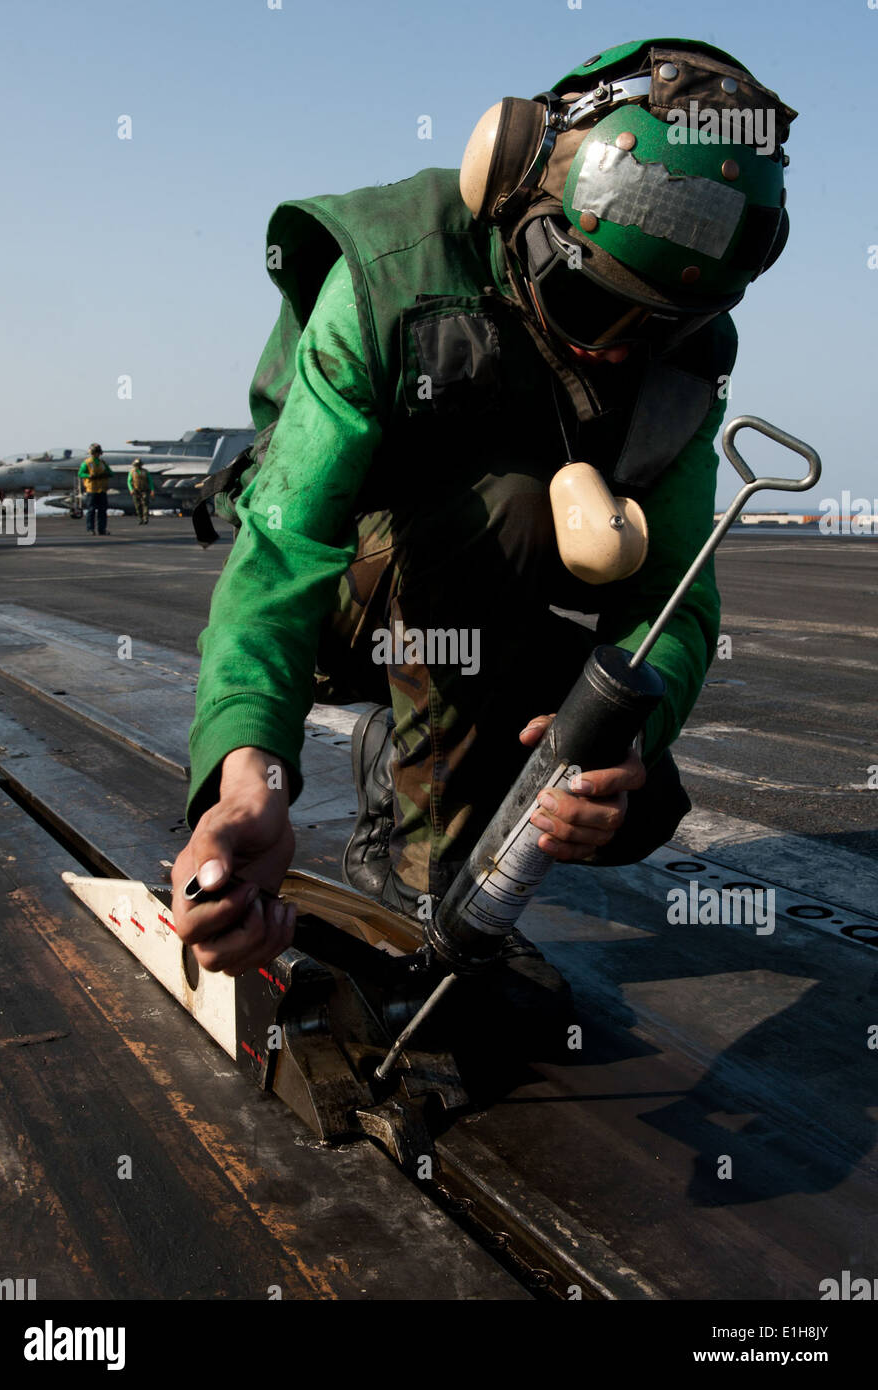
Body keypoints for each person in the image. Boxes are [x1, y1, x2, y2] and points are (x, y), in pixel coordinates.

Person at [173, 37, 796, 980]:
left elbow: (672, 593)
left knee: (646, 802)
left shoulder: (686, 355)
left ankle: (416, 755)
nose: (622, 355)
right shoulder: (390, 274)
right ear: (514, 198)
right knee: (505, 508)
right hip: (354, 603)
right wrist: (245, 776)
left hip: (482, 617)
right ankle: (414, 885)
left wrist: (627, 739)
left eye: (662, 327)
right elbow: (284, 545)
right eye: (592, 306)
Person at [78, 444, 112, 536]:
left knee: (102, 510)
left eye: (97, 452)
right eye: (95, 452)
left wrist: (106, 474)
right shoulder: (87, 463)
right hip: (91, 489)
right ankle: (90, 529)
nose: (96, 454)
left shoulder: (102, 463)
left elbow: (110, 472)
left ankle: (102, 529)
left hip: (102, 489)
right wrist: (89, 476)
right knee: (91, 510)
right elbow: (80, 474)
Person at [127, 458, 155, 524]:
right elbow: (129, 481)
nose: (138, 466)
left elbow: (150, 481)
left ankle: (145, 518)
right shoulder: (132, 472)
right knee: (137, 505)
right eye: (137, 465)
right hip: (135, 491)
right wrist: (131, 489)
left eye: (139, 465)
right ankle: (140, 518)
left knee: (145, 504)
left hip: (144, 490)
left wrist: (152, 490)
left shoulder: (145, 472)